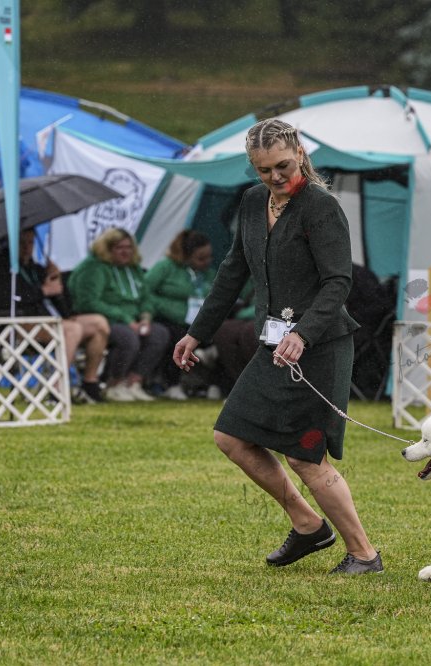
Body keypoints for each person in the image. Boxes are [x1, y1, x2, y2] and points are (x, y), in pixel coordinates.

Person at [173, 118, 382, 575]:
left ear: (300, 153)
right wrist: (197, 332)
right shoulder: (253, 201)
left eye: (283, 165)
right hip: (273, 346)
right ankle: (308, 525)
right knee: (231, 436)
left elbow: (338, 282)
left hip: (319, 347)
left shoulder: (321, 208)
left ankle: (365, 554)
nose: (275, 177)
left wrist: (303, 333)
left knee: (305, 456)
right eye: (263, 169)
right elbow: (233, 271)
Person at [0, 229, 110, 403]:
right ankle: (56, 389)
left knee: (98, 323)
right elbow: (3, 301)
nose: (27, 248)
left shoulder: (37, 269)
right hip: (18, 324)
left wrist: (57, 279)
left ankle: (90, 383)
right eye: (22, 243)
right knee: (72, 329)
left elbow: (63, 305)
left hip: (50, 321)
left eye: (30, 243)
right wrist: (42, 291)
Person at [144, 229, 256, 400]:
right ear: (185, 256)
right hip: (170, 320)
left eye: (209, 257)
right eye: (201, 258)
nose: (207, 262)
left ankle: (218, 385)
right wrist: (168, 309)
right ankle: (172, 384)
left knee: (222, 336)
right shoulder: (164, 267)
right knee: (178, 336)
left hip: (199, 321)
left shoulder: (209, 273)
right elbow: (145, 292)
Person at [68, 228, 170, 402]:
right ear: (107, 249)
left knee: (159, 333)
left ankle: (133, 383)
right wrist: (126, 319)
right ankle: (113, 383)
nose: (126, 252)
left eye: (129, 247)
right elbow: (88, 302)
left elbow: (146, 298)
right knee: (127, 337)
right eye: (119, 248)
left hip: (133, 319)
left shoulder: (133, 269)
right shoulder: (93, 267)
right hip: (103, 320)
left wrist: (145, 317)